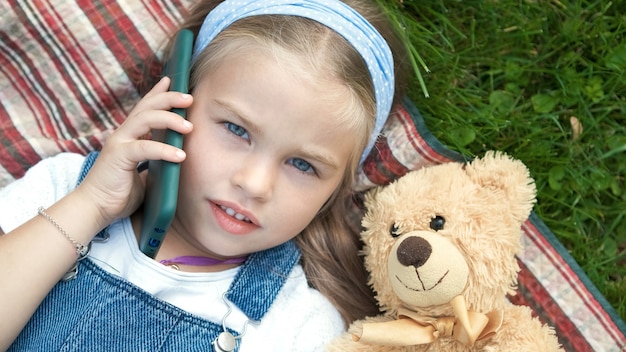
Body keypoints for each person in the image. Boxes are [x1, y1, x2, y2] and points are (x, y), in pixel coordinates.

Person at [0, 0, 406, 350]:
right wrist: (89, 206)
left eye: (303, 165)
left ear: (334, 191)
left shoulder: (299, 325)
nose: (255, 183)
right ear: (174, 103)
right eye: (236, 129)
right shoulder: (64, 190)